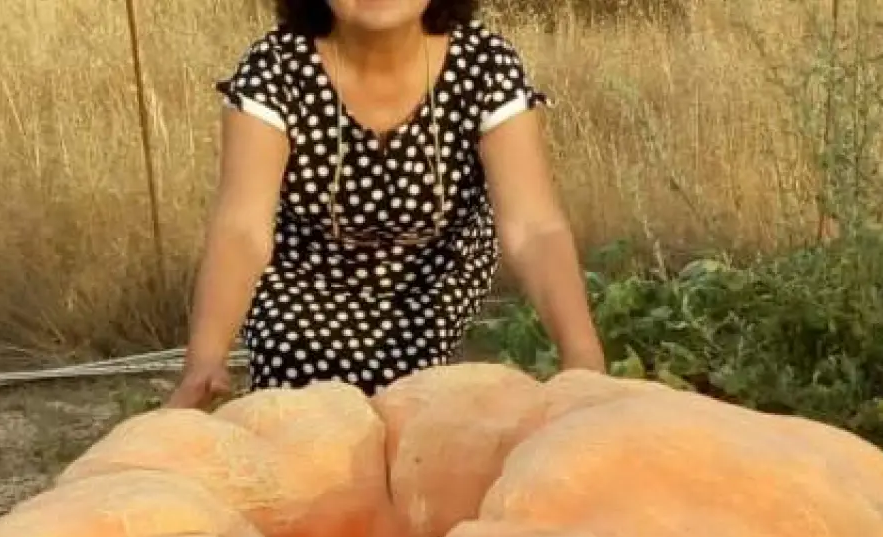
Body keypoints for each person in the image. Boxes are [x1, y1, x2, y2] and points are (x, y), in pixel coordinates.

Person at [166, 0, 605, 409]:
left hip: (435, 293)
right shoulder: (275, 69)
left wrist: (582, 357)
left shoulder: (485, 66)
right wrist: (205, 359)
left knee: (440, 423)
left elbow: (533, 228)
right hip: (305, 298)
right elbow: (241, 230)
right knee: (309, 419)